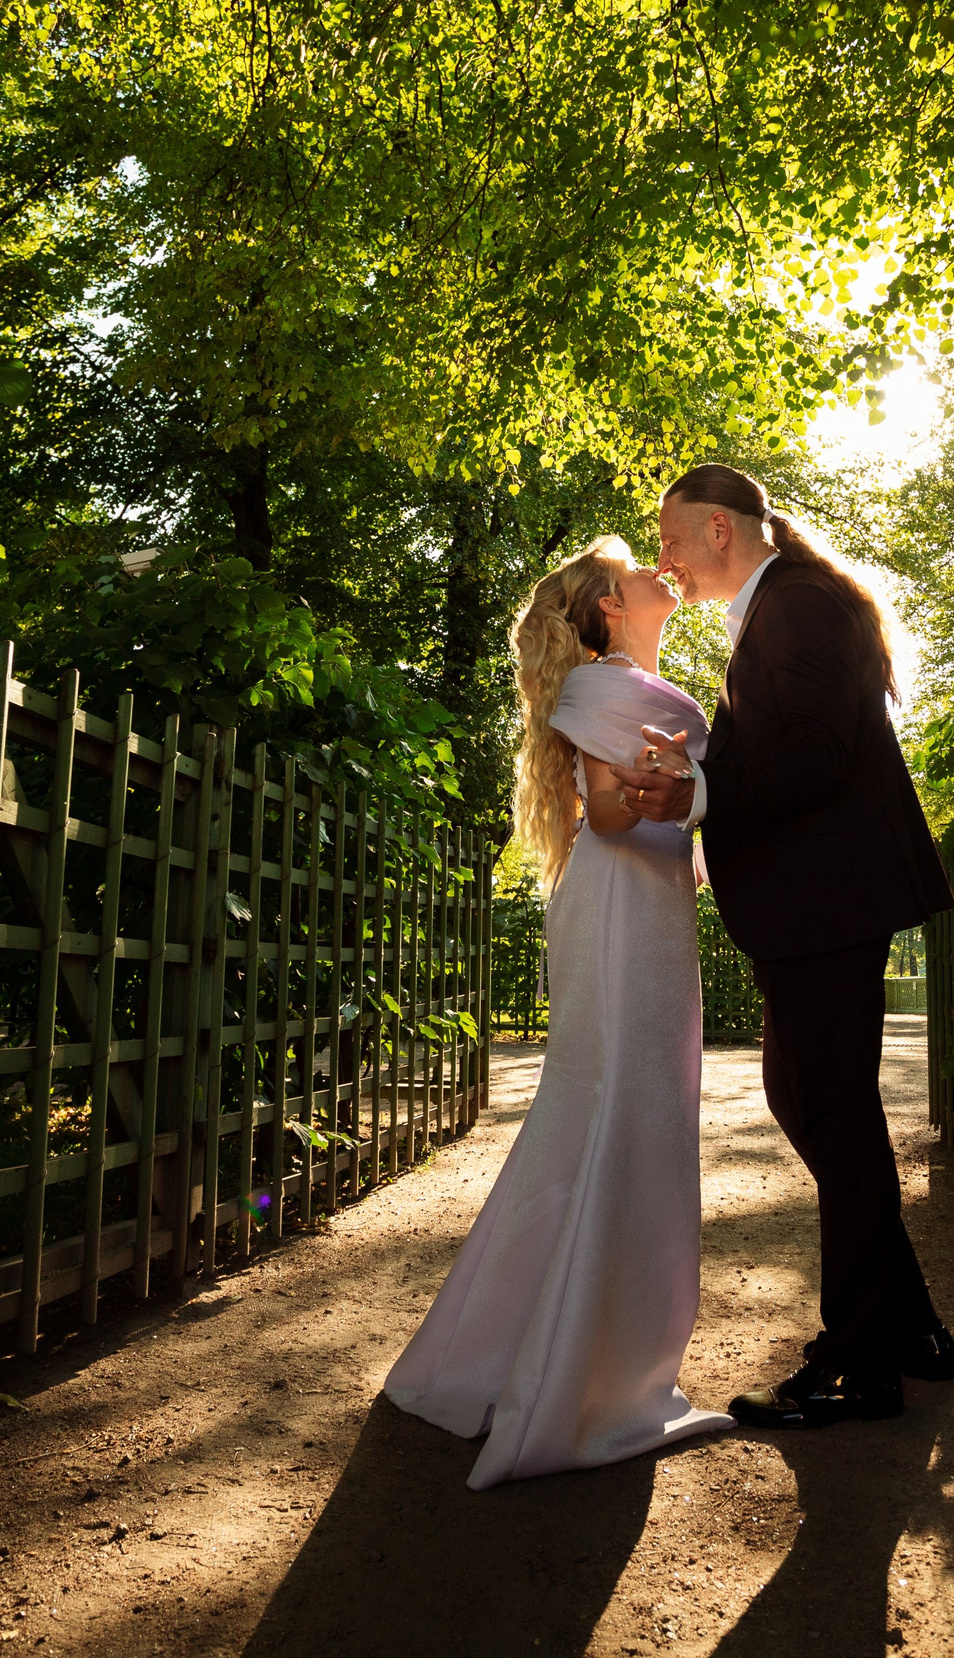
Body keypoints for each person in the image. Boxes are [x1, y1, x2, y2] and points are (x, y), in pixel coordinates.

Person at [382, 537, 734, 1487]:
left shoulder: (646, 689)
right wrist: (672, 786)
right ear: (612, 608)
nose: (664, 573)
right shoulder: (594, 693)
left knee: (641, 1107)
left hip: (653, 906)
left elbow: (665, 805)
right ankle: (580, 1378)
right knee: (618, 1105)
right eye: (640, 571)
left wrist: (685, 787)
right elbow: (615, 819)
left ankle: (579, 1350)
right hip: (619, 904)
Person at [623, 463, 954, 1429]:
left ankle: (858, 1365)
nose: (665, 561)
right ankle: (912, 1329)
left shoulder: (799, 606)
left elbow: (815, 752)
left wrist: (699, 791)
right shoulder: (781, 606)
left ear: (721, 530)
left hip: (831, 896)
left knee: (833, 1114)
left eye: (673, 539)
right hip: (819, 899)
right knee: (810, 1102)